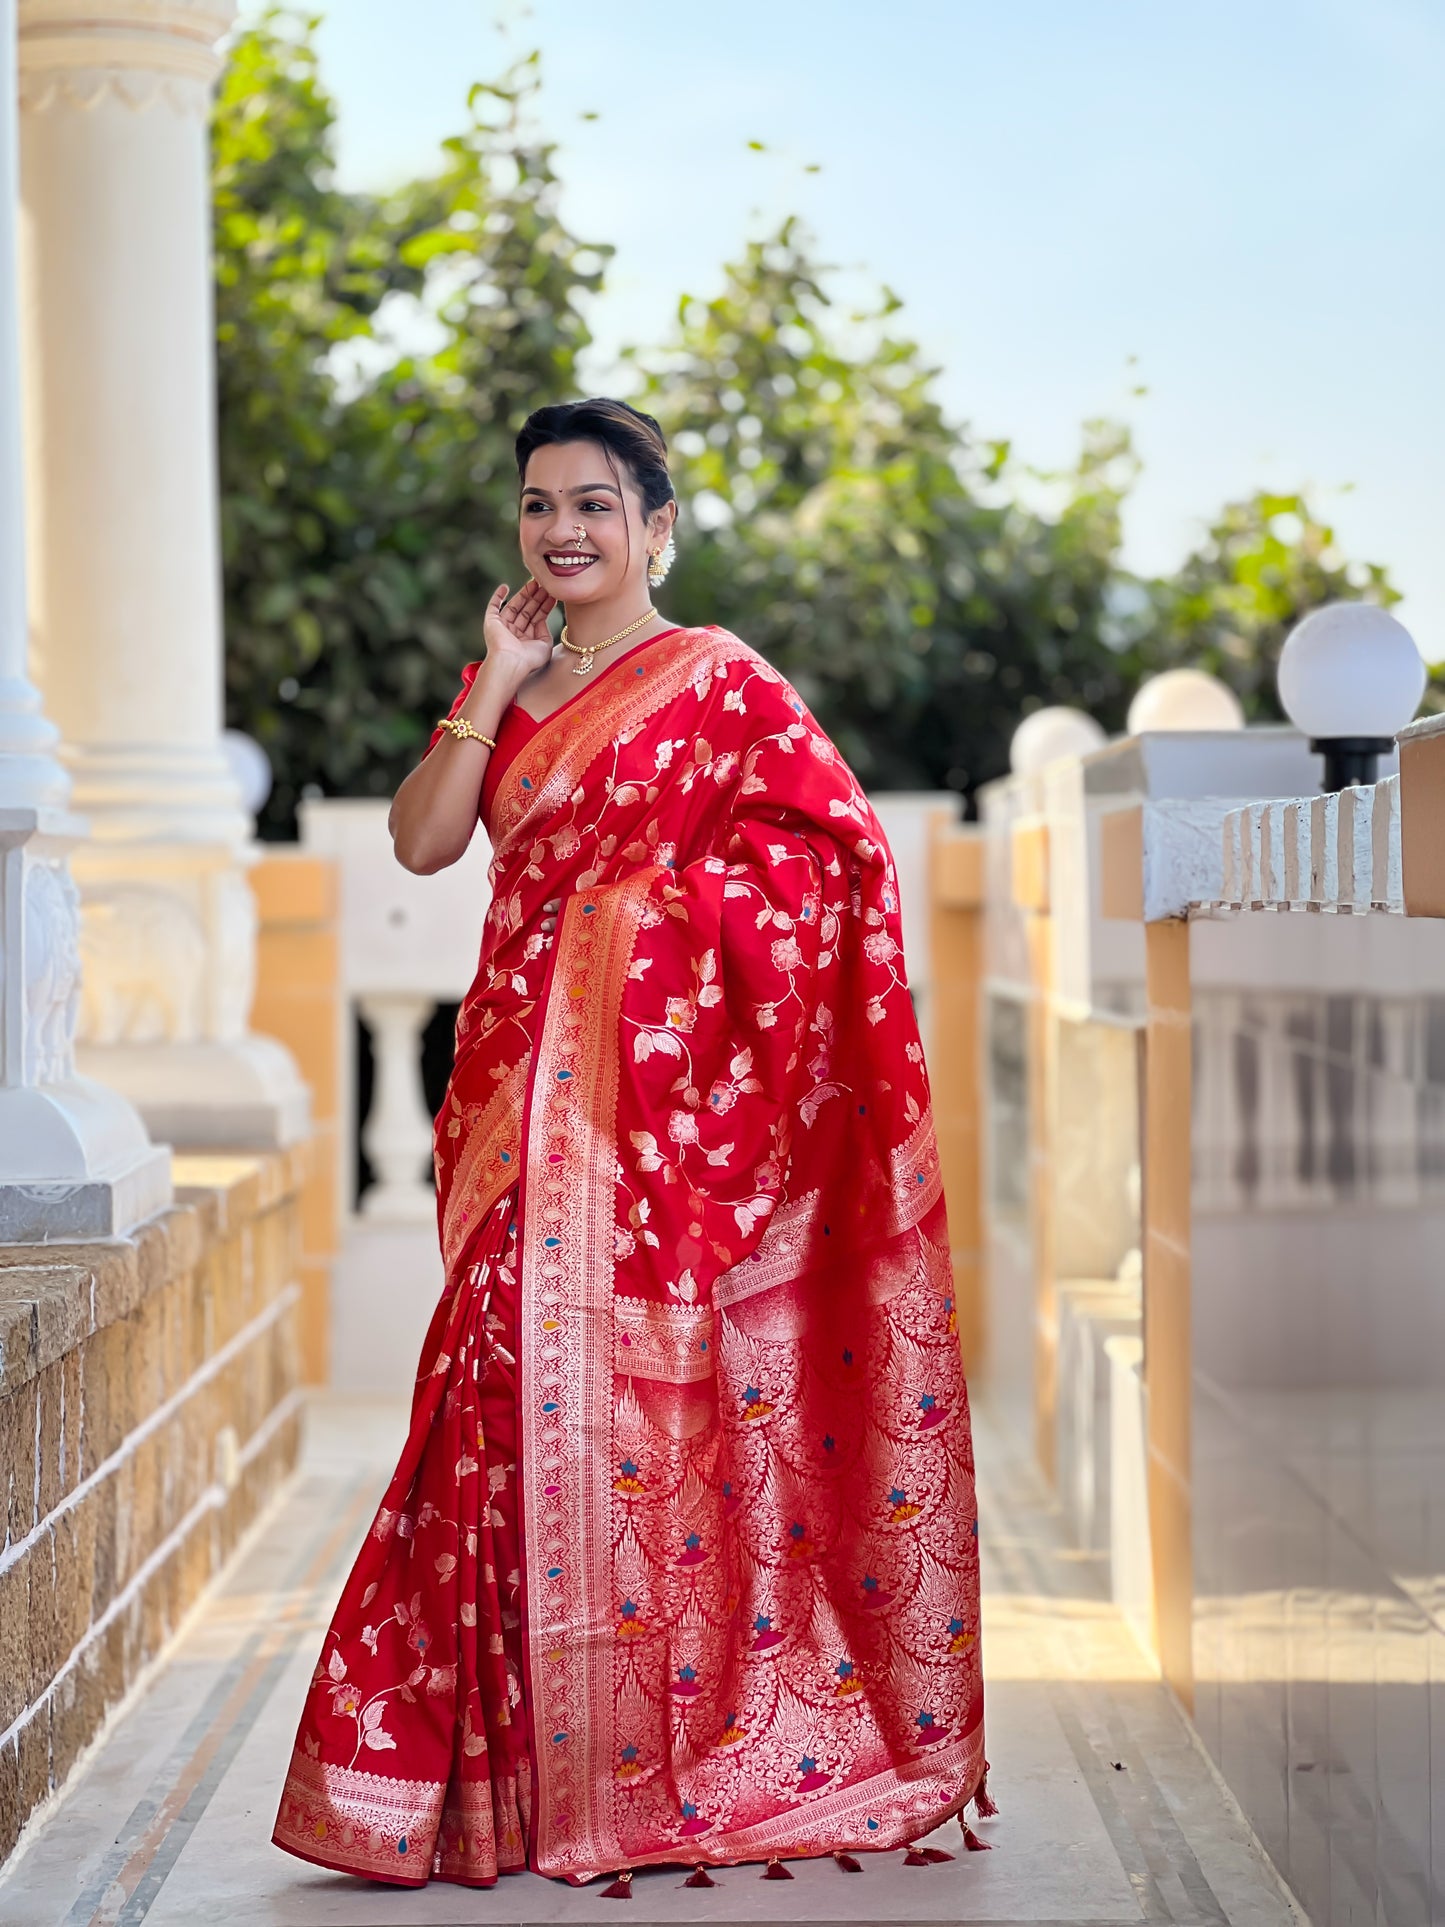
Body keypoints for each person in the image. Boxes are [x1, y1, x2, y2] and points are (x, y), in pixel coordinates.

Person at [272, 398, 989, 1894]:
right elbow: (421, 842)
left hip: (657, 1118)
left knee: (646, 1420)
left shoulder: (723, 686)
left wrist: (636, 929)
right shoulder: (515, 687)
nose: (563, 531)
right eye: (539, 505)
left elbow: (828, 863)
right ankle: (474, 1781)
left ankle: (644, 1762)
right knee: (488, 1398)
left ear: (658, 524)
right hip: (513, 1104)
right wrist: (495, 685)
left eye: (595, 503)